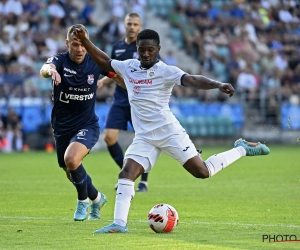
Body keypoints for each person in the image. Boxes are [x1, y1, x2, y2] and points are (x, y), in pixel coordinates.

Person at [72, 28, 270, 233]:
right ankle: (119, 224)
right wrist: (86, 41)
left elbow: (192, 79)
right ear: (137, 50)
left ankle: (242, 149)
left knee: (202, 172)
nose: (146, 54)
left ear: (158, 49)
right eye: (142, 50)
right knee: (127, 173)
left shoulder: (166, 71)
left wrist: (218, 84)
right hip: (144, 137)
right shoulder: (129, 67)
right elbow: (105, 61)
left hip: (169, 132)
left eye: (150, 50)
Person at [39, 24, 124, 221]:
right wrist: (50, 72)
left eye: (83, 45)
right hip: (62, 127)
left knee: (72, 160)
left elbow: (118, 77)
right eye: (75, 44)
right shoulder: (60, 61)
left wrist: (136, 89)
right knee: (70, 170)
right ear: (67, 43)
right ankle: (97, 197)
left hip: (87, 125)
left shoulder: (95, 62)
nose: (79, 49)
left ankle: (82, 200)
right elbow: (45, 68)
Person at [97, 12, 149, 192]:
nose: (132, 27)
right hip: (120, 100)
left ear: (140, 26)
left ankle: (143, 181)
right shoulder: (117, 47)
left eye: (135, 24)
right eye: (129, 24)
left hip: (139, 102)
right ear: (124, 25)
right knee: (109, 137)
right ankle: (127, 172)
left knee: (143, 139)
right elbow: (114, 72)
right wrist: (104, 80)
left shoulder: (146, 47)